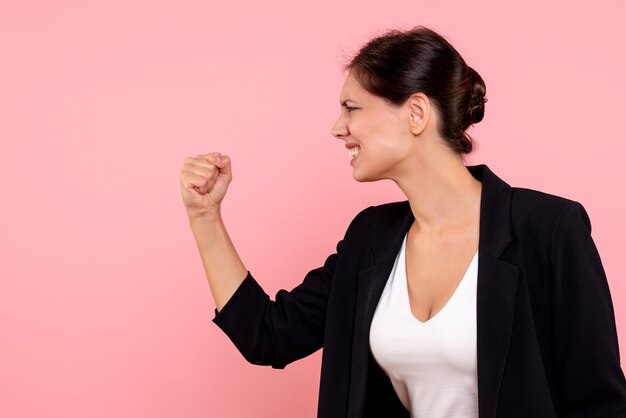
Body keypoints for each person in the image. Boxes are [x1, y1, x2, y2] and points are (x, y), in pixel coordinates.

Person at [178, 26, 626, 417]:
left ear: (415, 113)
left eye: (352, 107)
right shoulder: (369, 239)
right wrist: (205, 216)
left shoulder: (548, 230)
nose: (338, 127)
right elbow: (269, 336)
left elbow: (599, 404)